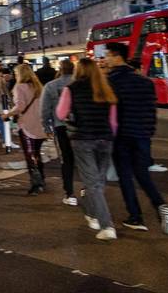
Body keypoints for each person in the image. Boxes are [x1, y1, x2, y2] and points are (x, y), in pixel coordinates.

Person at [104, 42, 168, 235]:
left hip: (122, 136)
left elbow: (110, 112)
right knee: (143, 175)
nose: (105, 60)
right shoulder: (145, 82)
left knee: (125, 177)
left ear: (116, 56)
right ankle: (161, 204)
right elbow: (152, 111)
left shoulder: (111, 81)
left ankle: (135, 217)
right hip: (143, 136)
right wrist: (147, 131)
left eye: (107, 56)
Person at [55, 58, 119, 241]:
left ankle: (106, 225)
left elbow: (60, 113)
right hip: (105, 139)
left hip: (83, 139)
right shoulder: (106, 90)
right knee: (98, 181)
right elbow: (113, 122)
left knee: (92, 183)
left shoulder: (71, 89)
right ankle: (91, 214)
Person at [4, 64, 47, 195]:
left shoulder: (19, 87)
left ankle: (36, 183)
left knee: (30, 154)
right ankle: (42, 179)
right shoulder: (39, 86)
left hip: (27, 125)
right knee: (37, 153)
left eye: (16, 74)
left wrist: (7, 114)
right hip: (40, 124)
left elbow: (20, 106)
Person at [41, 59, 78, 206]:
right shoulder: (80, 84)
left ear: (60, 69)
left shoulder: (51, 86)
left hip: (60, 125)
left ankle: (70, 193)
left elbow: (44, 109)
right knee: (82, 159)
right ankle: (87, 188)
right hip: (79, 126)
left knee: (66, 159)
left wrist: (46, 127)